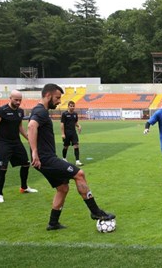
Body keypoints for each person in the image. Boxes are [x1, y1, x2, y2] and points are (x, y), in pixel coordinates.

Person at [28, 83, 115, 230]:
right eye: (57, 97)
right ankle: (96, 212)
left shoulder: (40, 110)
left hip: (45, 158)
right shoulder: (40, 111)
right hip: (46, 159)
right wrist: (35, 152)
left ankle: (53, 223)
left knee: (63, 188)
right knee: (79, 174)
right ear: (48, 95)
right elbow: (31, 126)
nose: (59, 101)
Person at [0, 90, 38, 203]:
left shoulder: (20, 111)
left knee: (26, 164)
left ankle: (24, 187)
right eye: (16, 100)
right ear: (10, 98)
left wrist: (29, 139)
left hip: (16, 142)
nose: (18, 102)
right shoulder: (1, 111)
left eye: (20, 100)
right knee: (3, 168)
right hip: (3, 144)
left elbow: (20, 127)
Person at [61, 101, 83, 166]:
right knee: (66, 146)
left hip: (73, 132)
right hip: (66, 133)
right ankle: (64, 158)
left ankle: (77, 161)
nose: (72, 107)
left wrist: (79, 126)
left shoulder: (75, 114)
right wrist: (62, 134)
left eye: (73, 106)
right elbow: (62, 124)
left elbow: (75, 123)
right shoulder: (64, 114)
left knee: (76, 145)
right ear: (68, 106)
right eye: (71, 106)